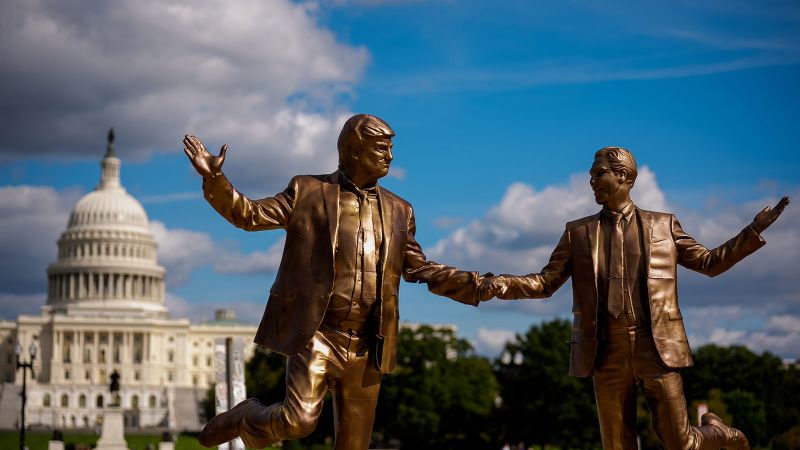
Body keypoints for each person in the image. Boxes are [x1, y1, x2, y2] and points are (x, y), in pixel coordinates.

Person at [183, 114, 486, 450]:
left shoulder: (401, 210)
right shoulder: (308, 191)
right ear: (355, 151)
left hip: (368, 344)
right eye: (382, 148)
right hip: (317, 332)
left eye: (391, 148)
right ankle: (245, 416)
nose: (391, 156)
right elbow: (250, 215)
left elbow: (421, 269)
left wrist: (480, 285)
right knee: (298, 420)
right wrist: (215, 178)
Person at [480, 146, 789, 450]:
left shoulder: (663, 225)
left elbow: (709, 263)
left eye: (598, 174)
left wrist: (753, 230)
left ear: (623, 176)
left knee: (680, 443)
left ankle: (719, 434)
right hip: (605, 351)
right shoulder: (578, 233)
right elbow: (545, 283)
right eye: (591, 174)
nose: (591, 181)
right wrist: (500, 284)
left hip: (656, 348)